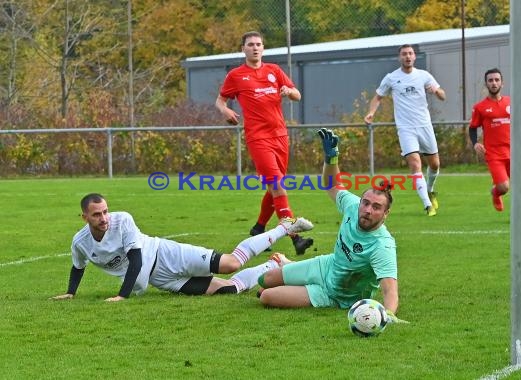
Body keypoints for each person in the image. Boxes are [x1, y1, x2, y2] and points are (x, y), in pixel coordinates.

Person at [51, 193, 313, 302]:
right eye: (97, 215)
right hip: (160, 280)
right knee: (227, 289)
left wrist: (122, 296)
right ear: (85, 217)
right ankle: (274, 264)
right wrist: (70, 293)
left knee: (232, 263)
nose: (104, 218)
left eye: (105, 211)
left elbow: (136, 260)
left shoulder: (123, 221)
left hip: (166, 254)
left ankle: (284, 227)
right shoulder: (80, 242)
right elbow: (78, 266)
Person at [257, 128, 401, 322]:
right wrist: (331, 158)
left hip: (336, 294)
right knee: (264, 281)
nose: (367, 209)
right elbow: (332, 185)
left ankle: (295, 274)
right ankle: (291, 268)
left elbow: (389, 289)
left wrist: (388, 314)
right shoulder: (353, 206)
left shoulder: (382, 246)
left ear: (386, 214)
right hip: (325, 266)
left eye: (376, 207)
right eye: (365, 203)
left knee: (266, 296)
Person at [215, 30, 313, 255]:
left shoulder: (274, 71)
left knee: (274, 187)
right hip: (258, 138)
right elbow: (220, 100)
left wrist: (289, 91)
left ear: (263, 48)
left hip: (280, 135)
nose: (255, 48)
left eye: (258, 44)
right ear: (243, 49)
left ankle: (259, 228)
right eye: (250, 44)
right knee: (278, 184)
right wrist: (225, 110)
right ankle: (295, 237)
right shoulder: (236, 75)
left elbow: (297, 94)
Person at [364, 44, 446, 217]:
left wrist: (436, 91)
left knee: (435, 164)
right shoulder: (391, 78)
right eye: (404, 54)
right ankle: (427, 205)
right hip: (405, 128)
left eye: (410, 53)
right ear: (399, 57)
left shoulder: (423, 75)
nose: (407, 57)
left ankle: (430, 190)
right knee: (415, 164)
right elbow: (378, 97)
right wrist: (371, 113)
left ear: (414, 57)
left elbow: (443, 95)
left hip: (425, 126)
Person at [469, 68, 521, 212]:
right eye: (490, 80)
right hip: (493, 154)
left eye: (497, 80)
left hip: (515, 152)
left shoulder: (512, 103)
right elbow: (472, 128)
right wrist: (475, 143)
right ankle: (495, 193)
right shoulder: (480, 107)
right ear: (486, 84)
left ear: (502, 83)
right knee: (504, 187)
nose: (494, 83)